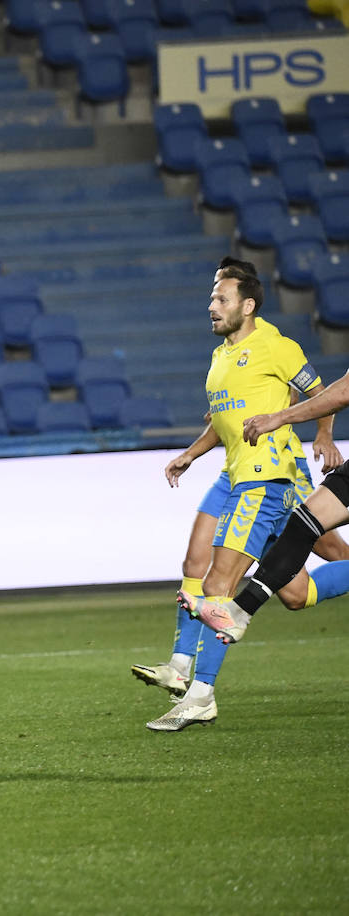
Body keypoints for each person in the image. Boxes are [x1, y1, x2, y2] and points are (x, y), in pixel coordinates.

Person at [140, 257, 349, 732]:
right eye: (212, 298)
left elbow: (323, 391)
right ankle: (182, 668)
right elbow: (223, 419)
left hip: (268, 477)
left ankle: (199, 694)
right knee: (294, 592)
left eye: (220, 299)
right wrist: (191, 455)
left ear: (247, 304)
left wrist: (322, 436)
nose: (211, 306)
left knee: (219, 584)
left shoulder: (275, 346)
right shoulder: (220, 358)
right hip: (235, 475)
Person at [184, 366, 349, 645]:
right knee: (304, 522)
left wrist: (281, 418)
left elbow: (337, 393)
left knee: (328, 548)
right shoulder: (221, 358)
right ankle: (239, 611)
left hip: (276, 469)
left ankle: (199, 672)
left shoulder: (276, 346)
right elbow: (344, 387)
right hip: (242, 470)